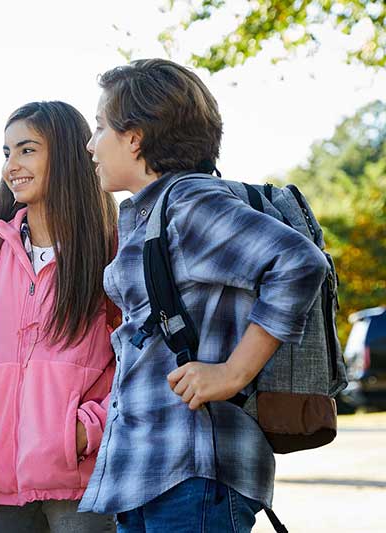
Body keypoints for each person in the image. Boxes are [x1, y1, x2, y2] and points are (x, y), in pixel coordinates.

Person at [78, 59, 329, 533]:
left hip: (191, 471)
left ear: (134, 137)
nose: (92, 145)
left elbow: (298, 263)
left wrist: (234, 373)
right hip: (152, 472)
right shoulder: (154, 211)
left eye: (99, 128)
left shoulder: (191, 202)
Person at [0, 101, 119, 533]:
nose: (11, 165)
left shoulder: (111, 256)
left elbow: (138, 366)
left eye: (27, 150)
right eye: (6, 152)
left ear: (70, 154)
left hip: (83, 490)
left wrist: (83, 433)